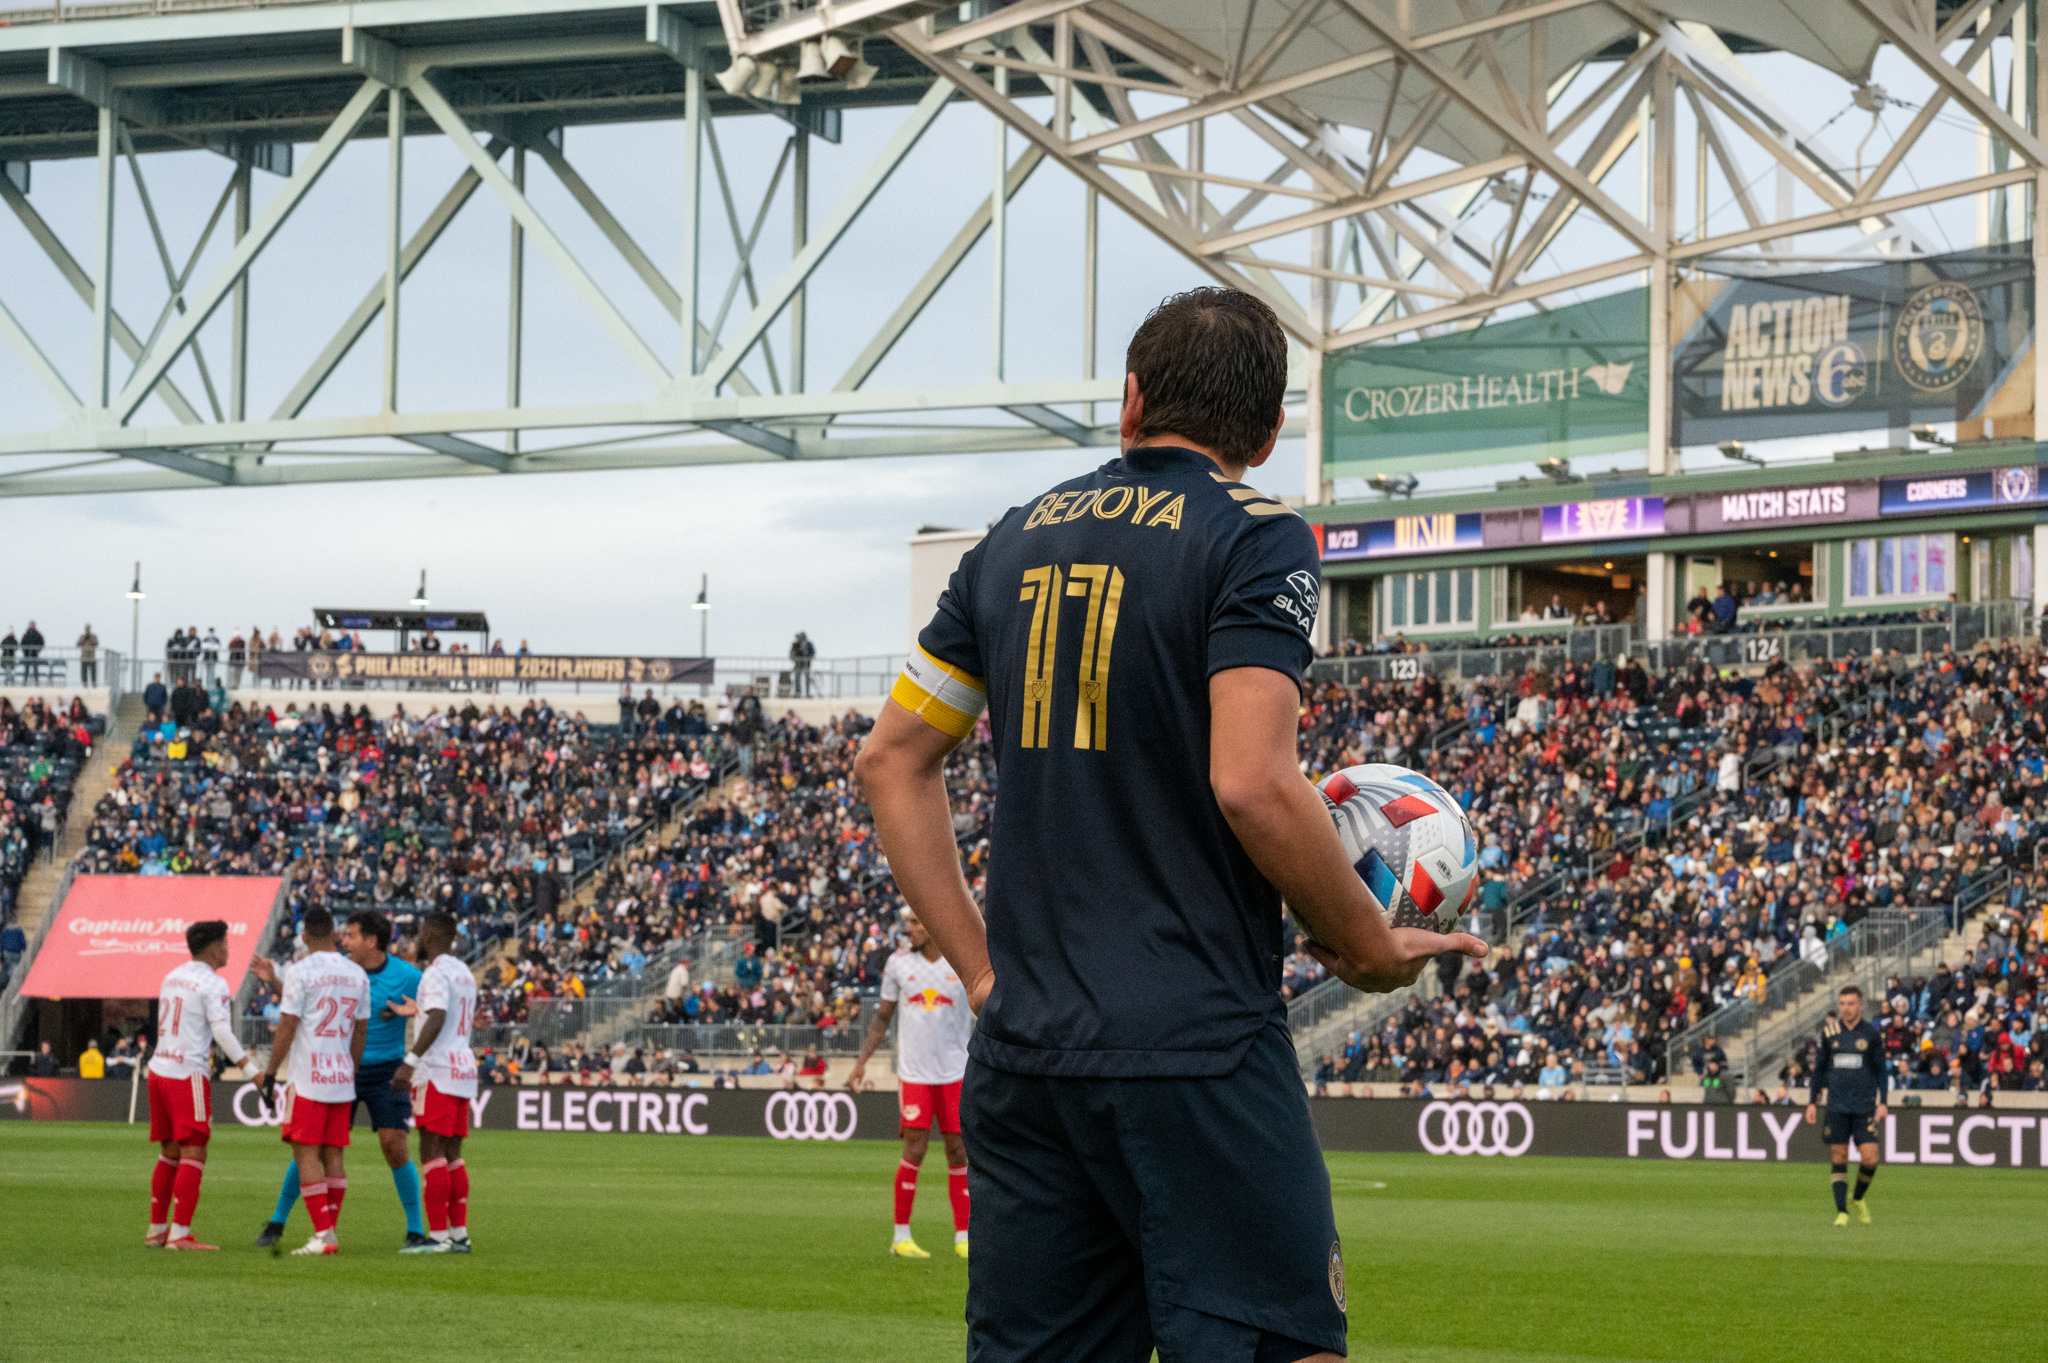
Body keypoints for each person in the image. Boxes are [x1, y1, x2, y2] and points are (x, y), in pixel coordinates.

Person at [855, 287, 1484, 1362]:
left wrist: (979, 975)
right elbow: (1249, 780)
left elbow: (887, 761)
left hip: (1027, 1054)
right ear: (1268, 429)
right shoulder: (1253, 539)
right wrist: (1366, 945)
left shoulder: (1006, 544)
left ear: (1130, 401)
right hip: (1190, 1044)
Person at [254, 910, 430, 1251]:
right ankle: (278, 1221)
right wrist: (273, 980)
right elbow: (308, 1003)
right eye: (343, 935)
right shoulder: (347, 973)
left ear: (371, 941)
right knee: (317, 1148)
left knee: (393, 1144)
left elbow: (438, 1008)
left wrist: (420, 1017)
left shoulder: (407, 976)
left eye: (350, 936)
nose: (344, 941)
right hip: (344, 1068)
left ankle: (414, 1228)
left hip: (384, 1071)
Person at [848, 909, 974, 1259]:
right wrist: (861, 1062)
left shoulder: (959, 962)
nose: (909, 929)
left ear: (933, 926)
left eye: (917, 923)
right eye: (909, 923)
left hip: (956, 1071)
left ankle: (963, 1237)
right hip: (915, 1073)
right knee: (914, 1149)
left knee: (959, 1150)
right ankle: (901, 1236)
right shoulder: (898, 964)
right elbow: (882, 1018)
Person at [258, 906, 369, 1257]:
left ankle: (323, 1234)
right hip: (340, 1077)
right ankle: (329, 1229)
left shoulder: (300, 971)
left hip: (308, 1078)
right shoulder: (357, 975)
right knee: (333, 1155)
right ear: (334, 935)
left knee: (306, 1153)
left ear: (304, 935)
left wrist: (272, 1072)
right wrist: (350, 1068)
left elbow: (289, 1025)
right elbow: (360, 1030)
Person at [146, 919, 261, 1250]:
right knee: (194, 1150)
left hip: (159, 1069)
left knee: (169, 1151)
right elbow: (222, 1032)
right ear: (214, 948)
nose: (228, 949)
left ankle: (157, 1229)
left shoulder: (172, 976)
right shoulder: (214, 984)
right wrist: (250, 1070)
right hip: (186, 1072)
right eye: (225, 943)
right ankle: (180, 1234)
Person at [389, 911, 479, 1254]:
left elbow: (439, 1017)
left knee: (431, 1150)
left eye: (420, 932)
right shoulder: (463, 972)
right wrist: (418, 1010)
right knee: (453, 1152)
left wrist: (409, 1062)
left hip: (437, 1069)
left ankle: (438, 1237)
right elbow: (447, 1013)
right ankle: (458, 1234)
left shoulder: (435, 973)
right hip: (462, 1068)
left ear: (428, 934)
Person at [1805, 985, 1887, 1226]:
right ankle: (1842, 1211)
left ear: (1861, 1005)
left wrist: (1883, 1102)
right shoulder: (1829, 1033)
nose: (1846, 1008)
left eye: (1851, 1004)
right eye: (1842, 1004)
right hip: (1837, 1106)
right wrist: (1812, 1102)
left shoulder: (1871, 1034)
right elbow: (1819, 1069)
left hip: (1864, 1106)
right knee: (1839, 1154)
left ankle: (1858, 1197)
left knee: (1870, 1158)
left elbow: (1881, 1071)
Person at [790, 631, 816, 697]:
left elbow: (812, 653)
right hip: (798, 665)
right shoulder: (795, 644)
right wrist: (796, 659)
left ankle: (807, 693)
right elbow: (792, 654)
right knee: (797, 679)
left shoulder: (809, 644)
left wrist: (808, 659)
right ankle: (797, 693)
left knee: (807, 679)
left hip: (807, 664)